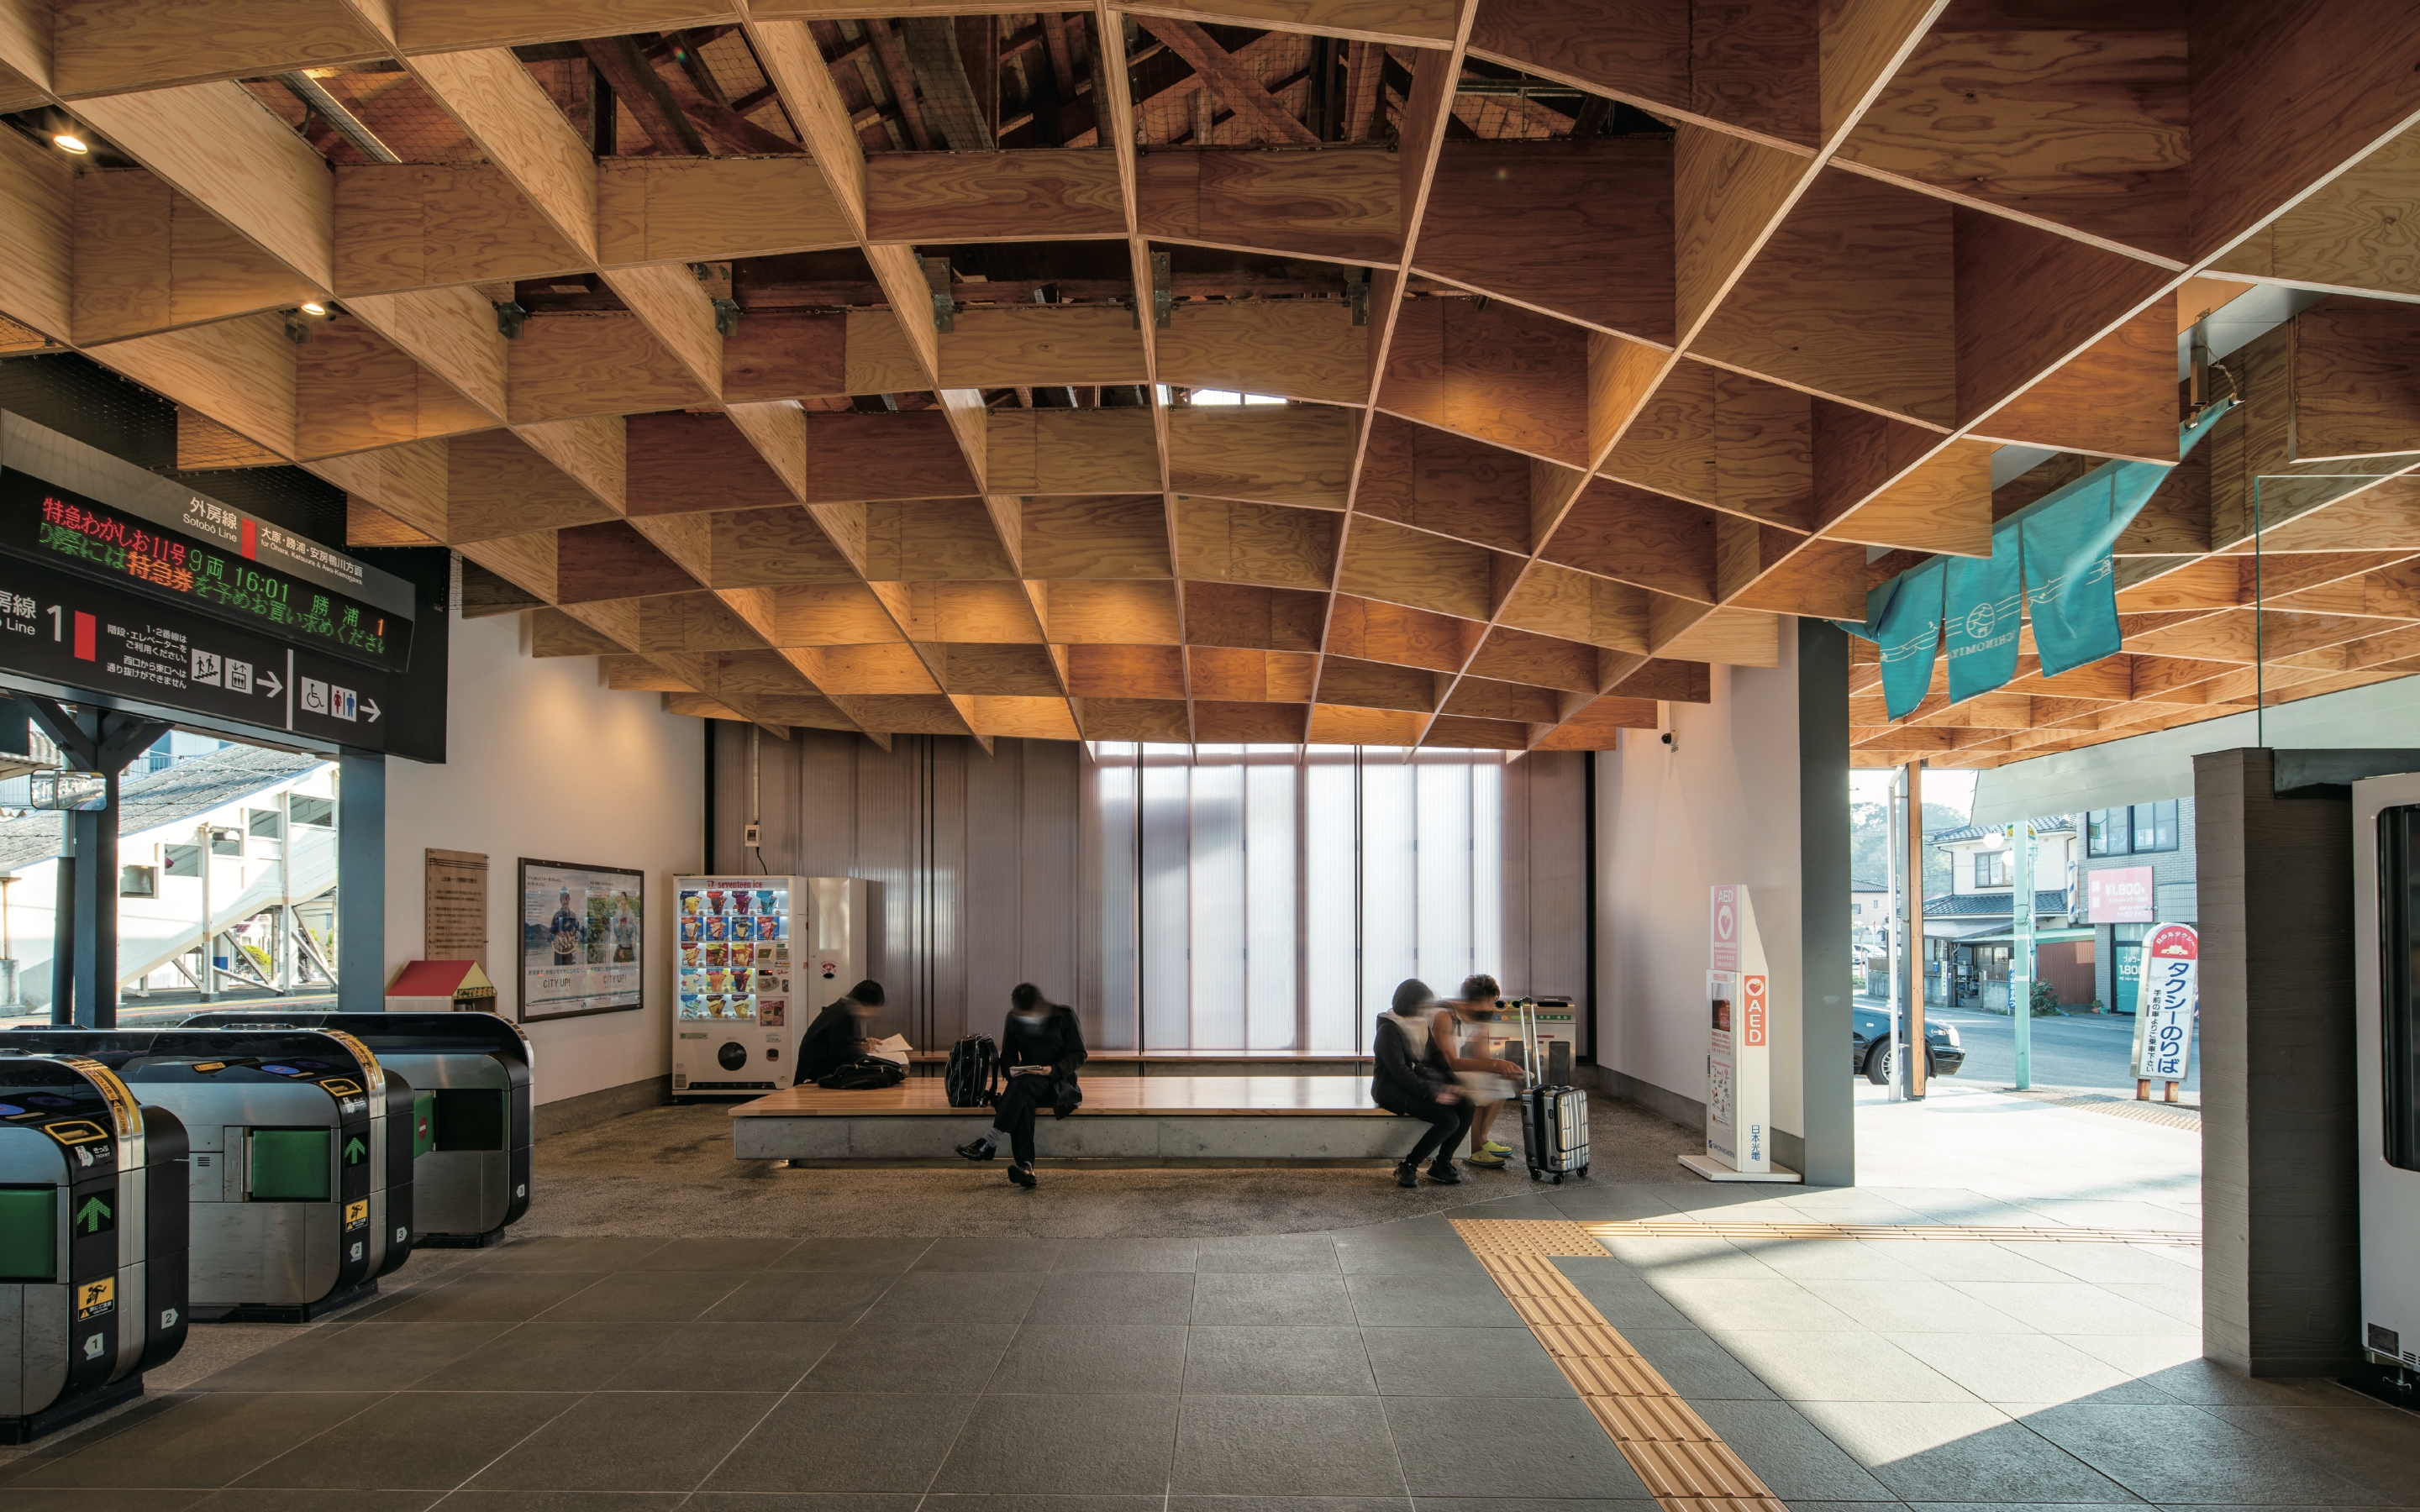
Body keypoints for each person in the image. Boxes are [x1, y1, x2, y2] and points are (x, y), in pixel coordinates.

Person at [955, 983, 1086, 1188]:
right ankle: (1026, 1168)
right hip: (1027, 1081)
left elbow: (1079, 1054)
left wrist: (1052, 1069)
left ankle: (990, 1141)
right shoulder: (1014, 1018)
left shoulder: (1064, 1016)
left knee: (1020, 1088)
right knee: (1022, 1095)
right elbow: (1008, 1055)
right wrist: (1011, 1070)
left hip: (1058, 1082)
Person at [1371, 978, 1470, 1188]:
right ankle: (1408, 1165)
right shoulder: (1388, 1029)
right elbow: (1399, 1071)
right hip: (1392, 1090)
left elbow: (1436, 1057)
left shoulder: (1419, 1023)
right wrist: (1433, 1094)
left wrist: (1454, 1083)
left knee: (1467, 1104)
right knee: (1449, 1120)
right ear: (1410, 1004)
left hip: (1417, 1085)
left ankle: (1442, 1163)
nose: (1426, 1009)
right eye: (1422, 1005)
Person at [1434, 974, 1523, 1168]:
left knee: (1499, 1079)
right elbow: (1452, 1063)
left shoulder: (1481, 1017)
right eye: (1486, 1003)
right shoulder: (1444, 1015)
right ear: (1470, 1002)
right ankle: (1472, 1149)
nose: (1490, 1008)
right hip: (1432, 1071)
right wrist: (1495, 1065)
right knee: (1475, 1085)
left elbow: (1483, 1056)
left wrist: (1503, 1068)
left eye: (1492, 1002)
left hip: (1450, 1068)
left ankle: (1482, 1138)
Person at [795, 979, 885, 1085]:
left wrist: (863, 1041)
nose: (873, 1014)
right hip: (817, 1074)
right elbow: (839, 1053)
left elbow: (840, 1039)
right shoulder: (844, 1015)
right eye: (874, 1009)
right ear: (867, 1003)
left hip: (817, 1068)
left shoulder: (841, 1008)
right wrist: (861, 1049)